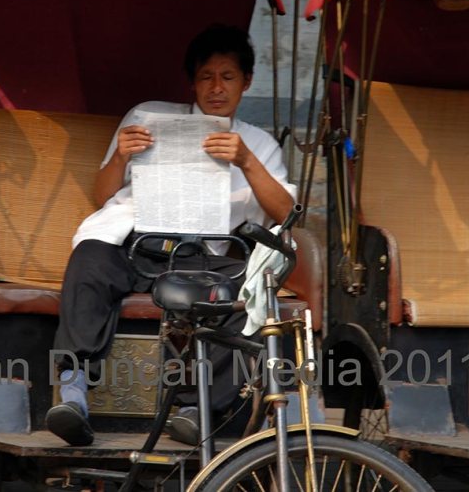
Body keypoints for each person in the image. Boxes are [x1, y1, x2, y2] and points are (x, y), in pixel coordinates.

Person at [46, 25, 296, 446]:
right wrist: (123, 154)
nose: (216, 88)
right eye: (206, 77)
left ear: (246, 82)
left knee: (248, 292)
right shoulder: (147, 117)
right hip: (135, 245)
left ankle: (195, 408)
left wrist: (247, 161)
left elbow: (287, 214)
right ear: (192, 82)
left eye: (228, 77)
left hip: (205, 257)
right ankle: (73, 392)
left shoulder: (258, 143)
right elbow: (102, 195)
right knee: (89, 259)